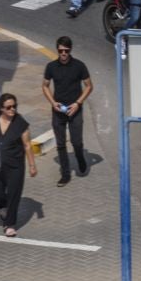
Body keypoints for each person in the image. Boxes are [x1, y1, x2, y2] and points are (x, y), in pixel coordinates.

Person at [42, 36, 93, 187]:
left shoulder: (79, 66)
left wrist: (78, 103)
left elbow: (89, 86)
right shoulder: (51, 66)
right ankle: (65, 174)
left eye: (66, 50)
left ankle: (80, 158)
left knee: (77, 142)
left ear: (70, 50)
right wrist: (53, 103)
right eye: (60, 51)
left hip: (75, 110)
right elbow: (45, 85)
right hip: (58, 110)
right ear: (57, 50)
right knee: (61, 144)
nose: (63, 53)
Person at [0, 92, 35, 237]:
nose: (12, 110)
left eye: (14, 106)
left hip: (15, 165)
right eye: (8, 107)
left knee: (14, 194)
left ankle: (9, 224)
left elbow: (27, 145)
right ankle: (2, 207)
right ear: (1, 108)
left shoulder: (20, 123)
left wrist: (32, 165)